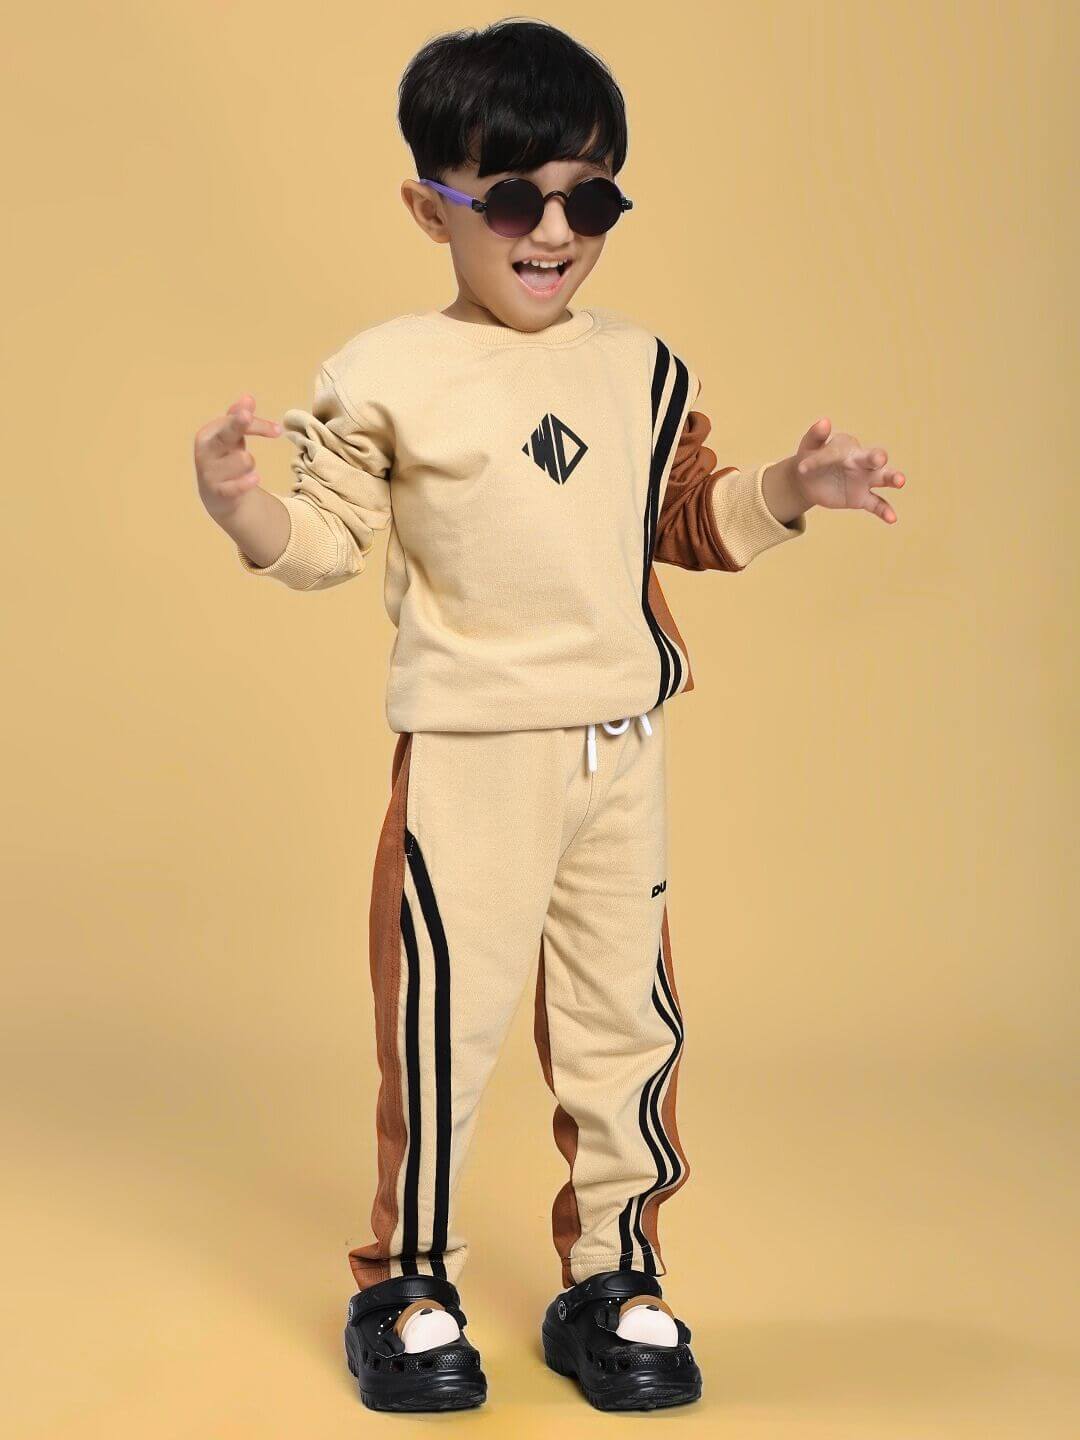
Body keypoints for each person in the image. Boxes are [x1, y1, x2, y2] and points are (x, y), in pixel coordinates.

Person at [192, 17, 904, 1415]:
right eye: (515, 198)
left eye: (593, 197)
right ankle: (409, 1279)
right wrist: (241, 509)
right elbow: (330, 539)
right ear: (433, 206)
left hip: (618, 753)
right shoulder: (389, 369)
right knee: (445, 1030)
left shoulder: (641, 368)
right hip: (470, 761)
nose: (555, 229)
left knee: (624, 1021)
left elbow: (685, 515)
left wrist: (794, 491)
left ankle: (614, 1274)